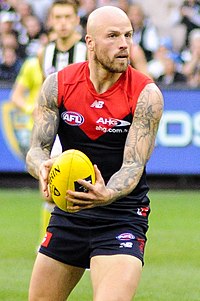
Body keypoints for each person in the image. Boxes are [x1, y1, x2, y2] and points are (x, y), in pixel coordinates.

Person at [26, 5, 163, 301]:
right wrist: (42, 168)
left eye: (128, 35)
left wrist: (107, 192)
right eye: (113, 36)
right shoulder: (58, 85)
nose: (124, 44)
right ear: (90, 43)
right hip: (70, 212)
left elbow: (133, 166)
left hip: (121, 216)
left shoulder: (146, 94)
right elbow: (36, 149)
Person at [38, 0, 88, 240]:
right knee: (49, 190)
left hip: (85, 126)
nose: (63, 23)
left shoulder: (87, 51)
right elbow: (44, 94)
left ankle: (87, 239)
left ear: (77, 20)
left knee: (83, 187)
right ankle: (50, 240)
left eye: (68, 17)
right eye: (58, 17)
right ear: (51, 20)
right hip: (57, 128)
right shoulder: (44, 52)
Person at [10, 56, 43, 158]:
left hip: (60, 128)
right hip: (34, 129)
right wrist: (31, 109)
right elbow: (15, 96)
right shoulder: (32, 65)